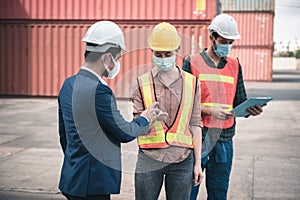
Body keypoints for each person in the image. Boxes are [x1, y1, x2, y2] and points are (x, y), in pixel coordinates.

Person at [58, 21, 167, 200]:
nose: (116, 63)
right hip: (92, 184)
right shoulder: (99, 91)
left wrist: (75, 163)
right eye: (117, 58)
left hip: (72, 178)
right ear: (107, 58)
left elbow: (64, 135)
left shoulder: (68, 84)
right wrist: (146, 118)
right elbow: (123, 132)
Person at [182, 14, 264, 200]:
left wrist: (251, 109)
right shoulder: (192, 63)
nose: (227, 45)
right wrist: (209, 110)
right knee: (187, 193)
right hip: (196, 138)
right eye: (223, 41)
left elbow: (240, 101)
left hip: (224, 139)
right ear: (211, 36)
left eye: (230, 42)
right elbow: (182, 103)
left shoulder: (235, 66)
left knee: (219, 194)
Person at [132, 22, 204, 200]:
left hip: (182, 159)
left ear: (176, 51)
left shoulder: (192, 83)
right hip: (149, 157)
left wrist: (198, 163)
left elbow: (196, 125)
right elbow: (136, 125)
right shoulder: (142, 83)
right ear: (151, 52)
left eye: (167, 54)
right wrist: (148, 119)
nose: (163, 58)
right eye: (158, 54)